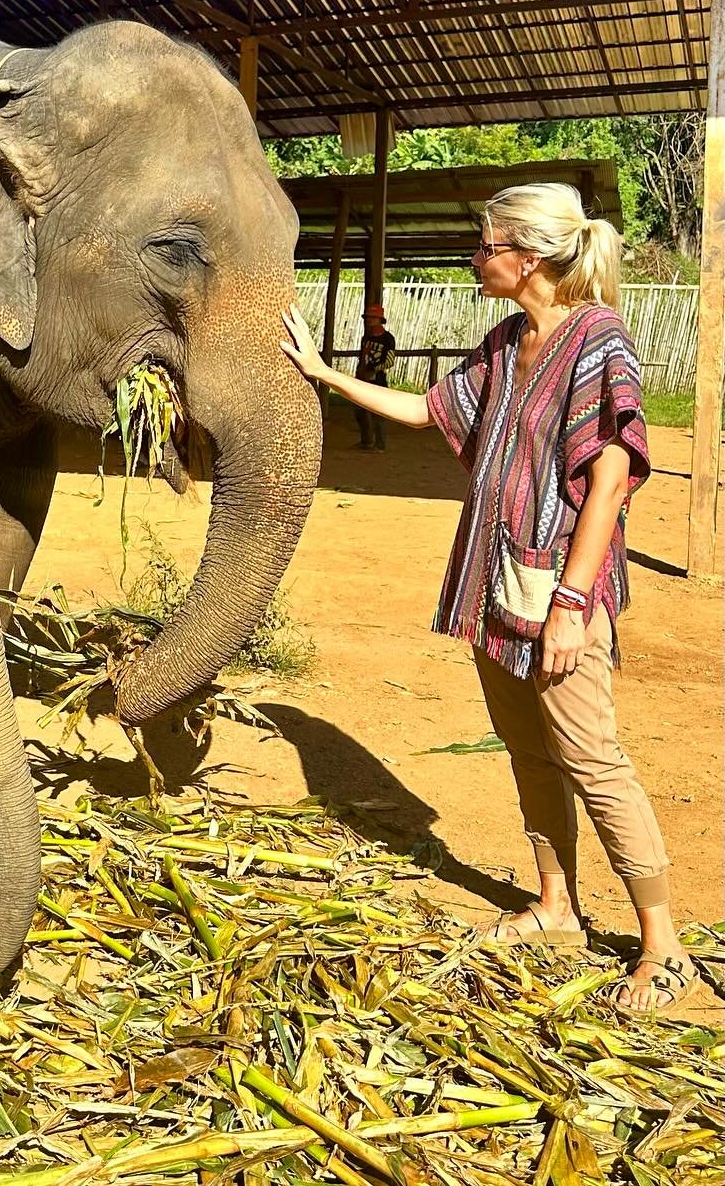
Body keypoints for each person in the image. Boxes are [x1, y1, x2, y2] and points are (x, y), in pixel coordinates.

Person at [280, 183, 699, 1017]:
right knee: (526, 748)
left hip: (559, 591)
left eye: (485, 246)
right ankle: (556, 905)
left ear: (529, 256)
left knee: (591, 758)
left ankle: (665, 947)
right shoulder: (507, 341)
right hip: (495, 581)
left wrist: (575, 602)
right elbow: (430, 411)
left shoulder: (598, 340)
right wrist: (323, 373)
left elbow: (611, 474)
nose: (475, 259)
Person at [354, 303, 396, 451]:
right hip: (363, 378)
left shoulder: (388, 339)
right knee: (359, 411)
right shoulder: (366, 337)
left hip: (377, 379)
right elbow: (362, 356)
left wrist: (375, 369)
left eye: (373, 317)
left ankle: (380, 444)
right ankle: (367, 441)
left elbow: (390, 361)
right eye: (368, 317)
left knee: (378, 412)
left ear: (380, 320)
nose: (369, 320)